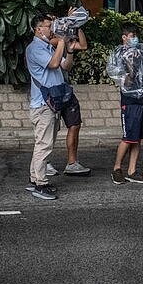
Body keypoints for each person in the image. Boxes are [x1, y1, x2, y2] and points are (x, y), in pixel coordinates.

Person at [24, 13, 66, 201]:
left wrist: (67, 48)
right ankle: (40, 183)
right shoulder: (35, 48)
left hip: (49, 103)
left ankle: (35, 178)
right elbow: (54, 63)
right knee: (44, 145)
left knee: (42, 143)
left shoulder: (47, 46)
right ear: (38, 29)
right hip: (43, 105)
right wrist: (63, 42)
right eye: (48, 26)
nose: (51, 29)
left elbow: (65, 66)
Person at [107, 23, 143, 185]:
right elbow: (125, 79)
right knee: (128, 137)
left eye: (136, 35)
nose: (135, 38)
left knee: (138, 137)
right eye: (131, 36)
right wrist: (130, 64)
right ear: (124, 37)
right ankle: (117, 168)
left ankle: (132, 170)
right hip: (130, 99)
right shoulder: (119, 54)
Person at [49, 21, 91, 177]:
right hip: (50, 92)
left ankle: (72, 163)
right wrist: (63, 37)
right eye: (51, 22)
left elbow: (83, 45)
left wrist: (77, 25)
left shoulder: (63, 38)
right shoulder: (47, 42)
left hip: (64, 89)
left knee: (74, 124)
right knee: (50, 129)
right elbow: (54, 59)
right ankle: (44, 162)